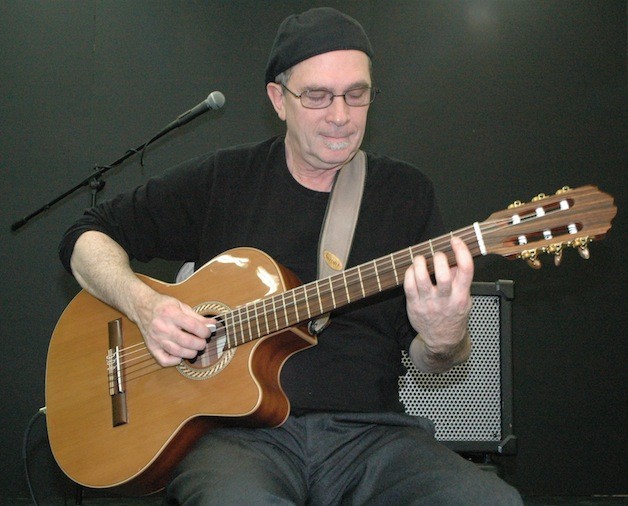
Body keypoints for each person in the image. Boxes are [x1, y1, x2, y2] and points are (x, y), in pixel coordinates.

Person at [59, 7, 523, 505]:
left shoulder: (405, 195)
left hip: (370, 438)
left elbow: (435, 364)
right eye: (318, 96)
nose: (341, 115)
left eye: (356, 94)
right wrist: (143, 307)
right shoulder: (226, 179)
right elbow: (86, 235)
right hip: (235, 440)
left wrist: (444, 334)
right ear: (278, 100)